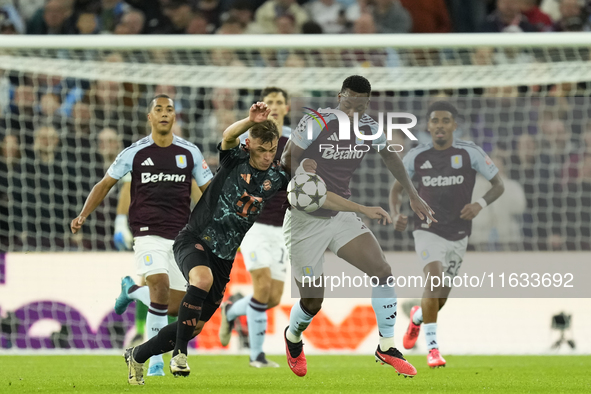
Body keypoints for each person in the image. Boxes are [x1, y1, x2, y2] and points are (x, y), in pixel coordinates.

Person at [123, 102, 391, 385]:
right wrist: (249, 121)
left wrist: (360, 208)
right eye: (261, 149)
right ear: (249, 144)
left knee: (194, 327)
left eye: (272, 150)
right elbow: (228, 136)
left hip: (224, 256)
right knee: (200, 280)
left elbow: (319, 195)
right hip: (195, 239)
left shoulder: (276, 176)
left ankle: (137, 355)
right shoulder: (233, 159)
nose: (266, 156)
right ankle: (180, 355)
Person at [281, 75, 435, 378]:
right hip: (303, 221)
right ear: (340, 97)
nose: (354, 113)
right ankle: (293, 337)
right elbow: (288, 157)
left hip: (340, 218)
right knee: (312, 302)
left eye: (361, 107)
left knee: (382, 271)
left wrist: (413, 194)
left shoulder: (369, 127)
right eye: (349, 105)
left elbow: (390, 156)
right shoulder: (316, 121)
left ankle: (386, 346)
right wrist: (302, 172)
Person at [70, 94, 213, 377]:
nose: (163, 113)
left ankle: (133, 292)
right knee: (158, 287)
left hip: (181, 237)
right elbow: (105, 183)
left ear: (175, 117)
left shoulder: (190, 153)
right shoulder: (134, 152)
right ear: (150, 117)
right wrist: (83, 214)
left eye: (169, 109)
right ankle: (156, 362)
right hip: (147, 233)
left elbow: (209, 191)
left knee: (177, 306)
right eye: (158, 109)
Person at [390, 101, 504, 368]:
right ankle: (432, 350)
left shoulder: (470, 153)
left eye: (445, 121)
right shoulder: (416, 156)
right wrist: (396, 214)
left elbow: (498, 185)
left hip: (459, 231)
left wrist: (480, 204)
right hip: (427, 229)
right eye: (434, 121)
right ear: (428, 126)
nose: (439, 126)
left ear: (454, 125)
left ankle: (418, 317)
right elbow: (396, 190)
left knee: (440, 297)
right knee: (434, 278)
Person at [218, 87, 291, 368]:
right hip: (253, 225)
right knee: (261, 288)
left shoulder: (295, 145)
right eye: (269, 101)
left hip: (283, 228)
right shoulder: (250, 141)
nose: (274, 105)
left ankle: (231, 311)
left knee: (272, 298)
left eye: (279, 102)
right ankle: (256, 355)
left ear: (286, 108)